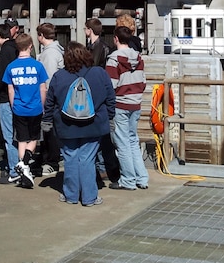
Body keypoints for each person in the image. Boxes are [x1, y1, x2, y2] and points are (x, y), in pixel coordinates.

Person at [43, 41, 115, 206]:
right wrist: (110, 117)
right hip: (94, 124)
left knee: (70, 158)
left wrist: (47, 120)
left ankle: (71, 195)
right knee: (88, 159)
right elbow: (110, 97)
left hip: (66, 125)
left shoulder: (59, 76)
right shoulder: (99, 73)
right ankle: (89, 197)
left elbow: (50, 101)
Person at [2, 33, 48, 189]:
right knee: (34, 139)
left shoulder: (11, 67)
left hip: (18, 108)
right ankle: (24, 163)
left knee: (21, 140)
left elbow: (10, 90)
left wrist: (13, 105)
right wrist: (42, 106)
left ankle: (23, 169)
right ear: (30, 46)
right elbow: (43, 88)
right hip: (35, 108)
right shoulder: (38, 66)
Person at [106, 25, 149, 191]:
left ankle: (128, 180)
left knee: (122, 143)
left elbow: (111, 85)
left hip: (120, 103)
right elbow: (143, 82)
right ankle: (142, 178)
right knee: (132, 141)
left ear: (115, 39)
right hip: (135, 103)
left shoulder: (113, 59)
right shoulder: (138, 58)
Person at [85, 17, 120, 184]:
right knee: (102, 134)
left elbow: (95, 68)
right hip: (99, 92)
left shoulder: (99, 48)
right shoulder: (100, 47)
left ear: (89, 30)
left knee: (102, 135)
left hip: (97, 92)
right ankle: (104, 167)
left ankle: (106, 168)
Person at [0, 23, 20, 184]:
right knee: (19, 135)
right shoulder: (16, 48)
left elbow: (1, 75)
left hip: (6, 98)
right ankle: (21, 167)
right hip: (20, 98)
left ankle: (14, 170)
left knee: (9, 136)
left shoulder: (5, 50)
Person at [36, 22, 64, 175]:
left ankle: (51, 161)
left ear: (41, 36)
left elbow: (49, 79)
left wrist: (45, 99)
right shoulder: (56, 50)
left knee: (49, 129)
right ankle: (46, 157)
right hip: (55, 96)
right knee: (50, 130)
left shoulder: (49, 54)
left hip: (50, 97)